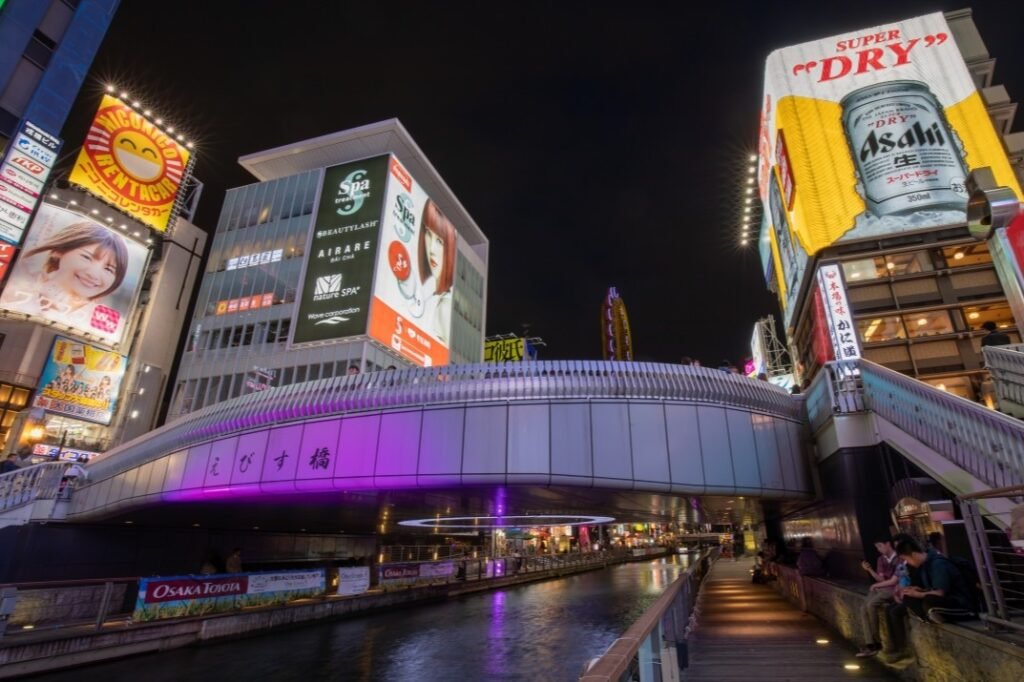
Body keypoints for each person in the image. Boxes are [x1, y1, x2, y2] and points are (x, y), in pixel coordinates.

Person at [0, 221, 130, 338]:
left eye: (109, 269)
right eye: (86, 257)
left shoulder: (112, 325)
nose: (94, 274)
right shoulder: (14, 290)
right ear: (58, 252)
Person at [886, 536, 975, 652]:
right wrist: (918, 590)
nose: (907, 563)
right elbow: (930, 589)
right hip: (940, 599)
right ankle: (928, 617)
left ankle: (930, 615)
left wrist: (919, 594)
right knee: (908, 598)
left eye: (907, 559)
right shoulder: (924, 566)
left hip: (959, 603)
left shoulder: (938, 564)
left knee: (929, 601)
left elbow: (939, 593)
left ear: (913, 555)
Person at [856, 535, 902, 658]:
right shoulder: (881, 559)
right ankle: (870, 643)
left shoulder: (899, 559)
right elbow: (880, 578)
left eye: (880, 546)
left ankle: (877, 642)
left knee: (871, 605)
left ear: (888, 544)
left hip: (893, 589)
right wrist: (870, 570)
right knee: (863, 608)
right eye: (877, 547)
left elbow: (894, 581)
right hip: (881, 587)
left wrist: (876, 585)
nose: (879, 549)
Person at [417, 199, 456, 345]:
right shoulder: (428, 293)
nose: (432, 249)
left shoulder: (445, 306)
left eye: (440, 241)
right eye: (428, 233)